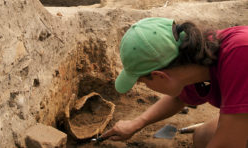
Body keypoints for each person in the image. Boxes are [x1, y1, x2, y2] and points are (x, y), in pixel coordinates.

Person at [102, 17, 248, 147]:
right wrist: (136, 124)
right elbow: (179, 98)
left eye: (143, 82)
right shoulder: (194, 56)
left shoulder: (240, 54)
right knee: (203, 137)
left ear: (159, 75)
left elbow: (228, 144)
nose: (147, 86)